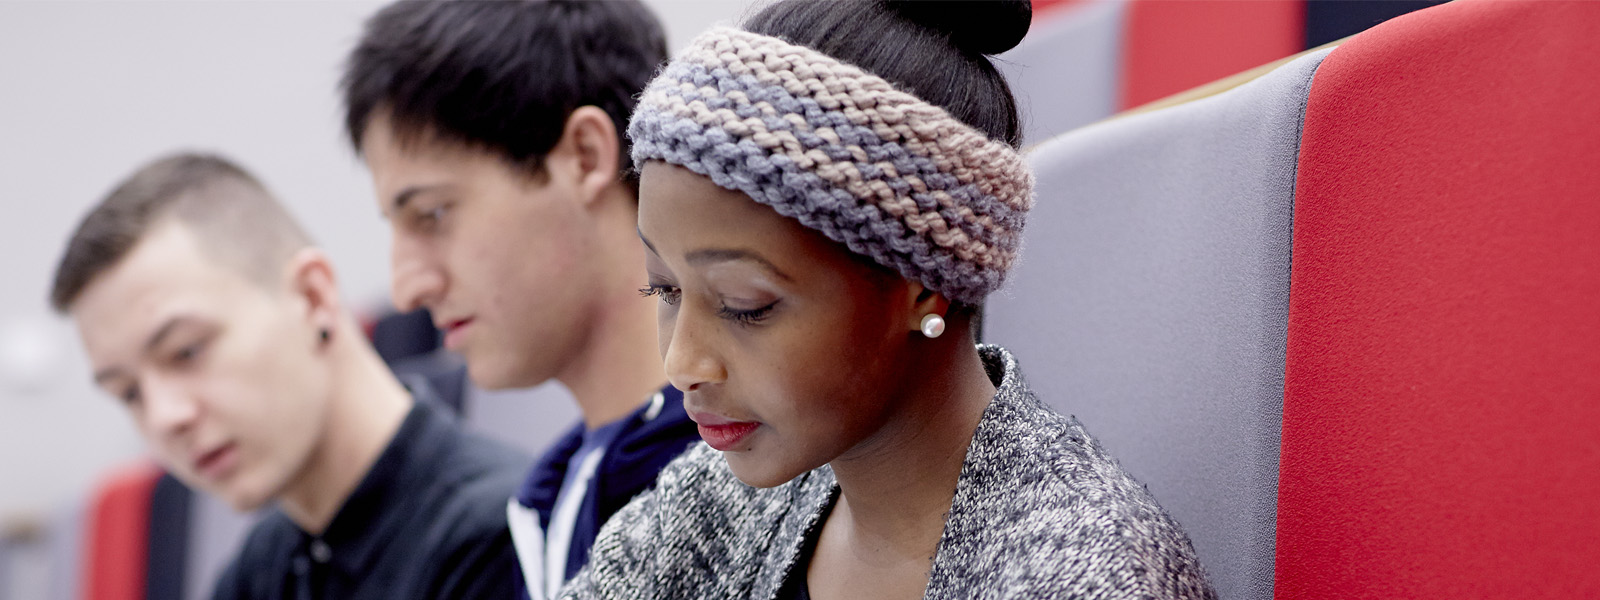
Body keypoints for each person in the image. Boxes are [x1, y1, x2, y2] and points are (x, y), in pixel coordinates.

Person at [561, 1, 1218, 598]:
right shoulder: (715, 502)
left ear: (924, 286)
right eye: (664, 288)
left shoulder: (1086, 577)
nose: (682, 364)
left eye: (745, 304)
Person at [339, 2, 699, 597]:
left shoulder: (754, 462)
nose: (407, 285)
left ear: (583, 156)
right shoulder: (551, 499)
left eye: (433, 213)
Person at [49, 153, 527, 600]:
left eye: (186, 351)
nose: (165, 417)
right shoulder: (265, 566)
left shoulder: (495, 540)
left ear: (313, 297)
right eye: (128, 393)